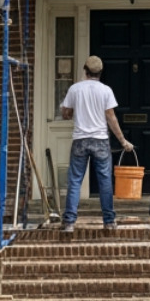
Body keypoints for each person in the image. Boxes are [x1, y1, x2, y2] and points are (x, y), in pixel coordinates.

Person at [60, 55, 134, 232]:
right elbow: (111, 117)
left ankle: (69, 222)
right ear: (100, 72)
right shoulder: (106, 90)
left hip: (80, 139)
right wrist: (123, 141)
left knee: (75, 181)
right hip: (100, 140)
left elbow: (65, 113)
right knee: (105, 182)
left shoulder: (75, 89)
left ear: (85, 70)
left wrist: (70, 111)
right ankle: (109, 221)